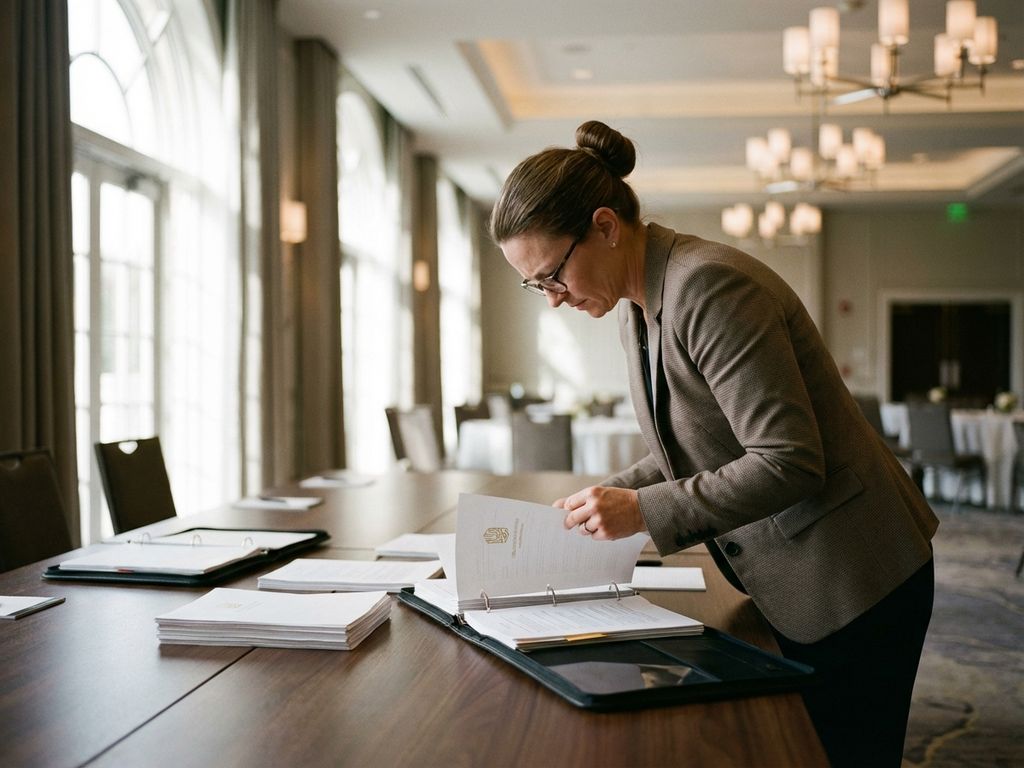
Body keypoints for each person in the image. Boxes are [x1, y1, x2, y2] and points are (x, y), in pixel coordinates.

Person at [489, 120, 938, 768]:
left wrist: (643, 513)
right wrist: (614, 494)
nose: (554, 300)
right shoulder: (637, 309)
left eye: (553, 275)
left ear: (606, 226)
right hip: (808, 567)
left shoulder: (709, 286)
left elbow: (789, 459)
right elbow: (691, 449)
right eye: (537, 287)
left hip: (858, 573)